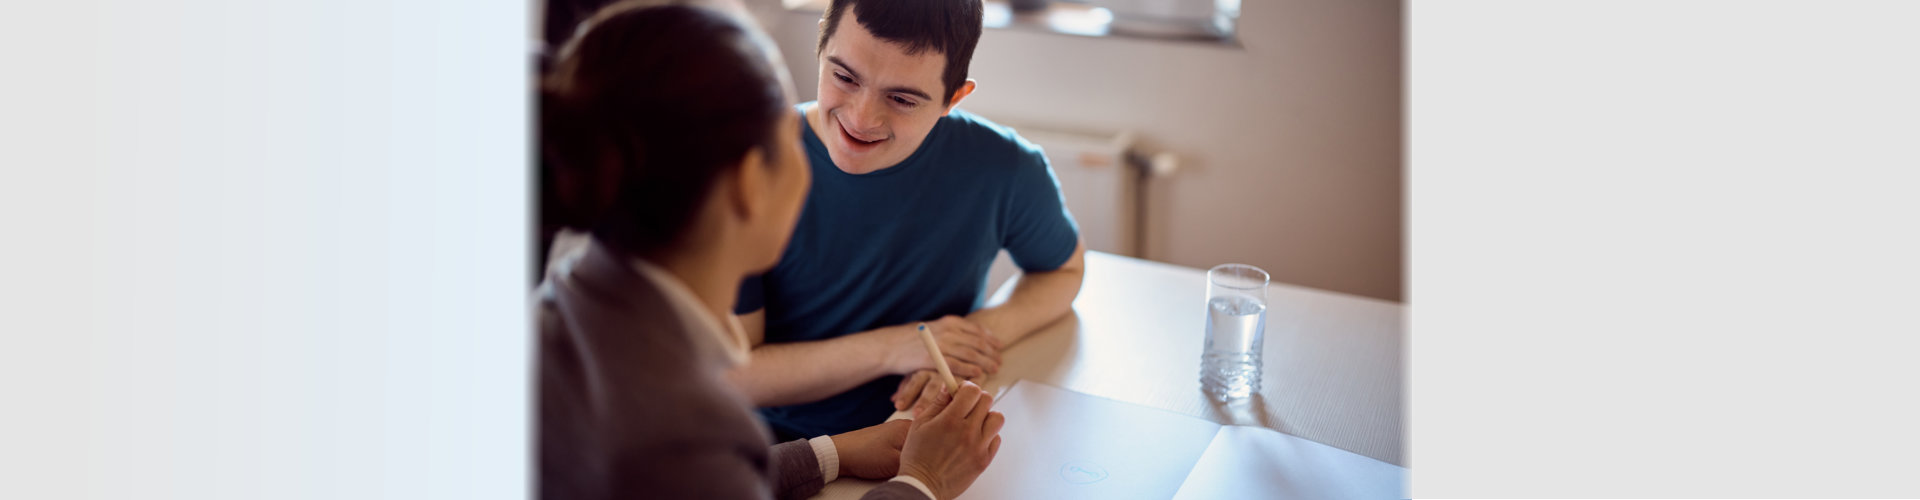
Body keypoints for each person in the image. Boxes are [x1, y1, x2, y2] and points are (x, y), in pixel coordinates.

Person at [535, 4, 1002, 499]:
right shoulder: (682, 432)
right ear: (751, 185)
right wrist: (923, 480)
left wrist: (830, 453)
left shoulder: (567, 306)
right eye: (793, 140)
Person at [728, 0, 1087, 442]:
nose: (861, 119)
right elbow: (734, 375)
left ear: (953, 98)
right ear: (820, 45)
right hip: (780, 455)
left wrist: (972, 337)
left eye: (901, 99)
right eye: (844, 77)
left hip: (927, 440)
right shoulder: (744, 167)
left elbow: (1063, 269)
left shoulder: (1006, 167)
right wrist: (898, 348)